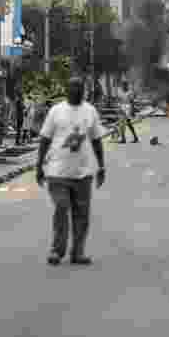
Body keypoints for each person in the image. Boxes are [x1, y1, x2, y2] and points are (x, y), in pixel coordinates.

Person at [36, 77, 106, 266]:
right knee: (61, 207)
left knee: (82, 215)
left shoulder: (90, 111)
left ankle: (78, 252)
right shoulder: (56, 111)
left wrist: (101, 166)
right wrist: (39, 166)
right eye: (72, 86)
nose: (76, 90)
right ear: (66, 89)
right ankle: (57, 251)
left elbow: (97, 140)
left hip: (83, 173)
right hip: (57, 172)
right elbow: (45, 139)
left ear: (84, 90)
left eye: (79, 87)